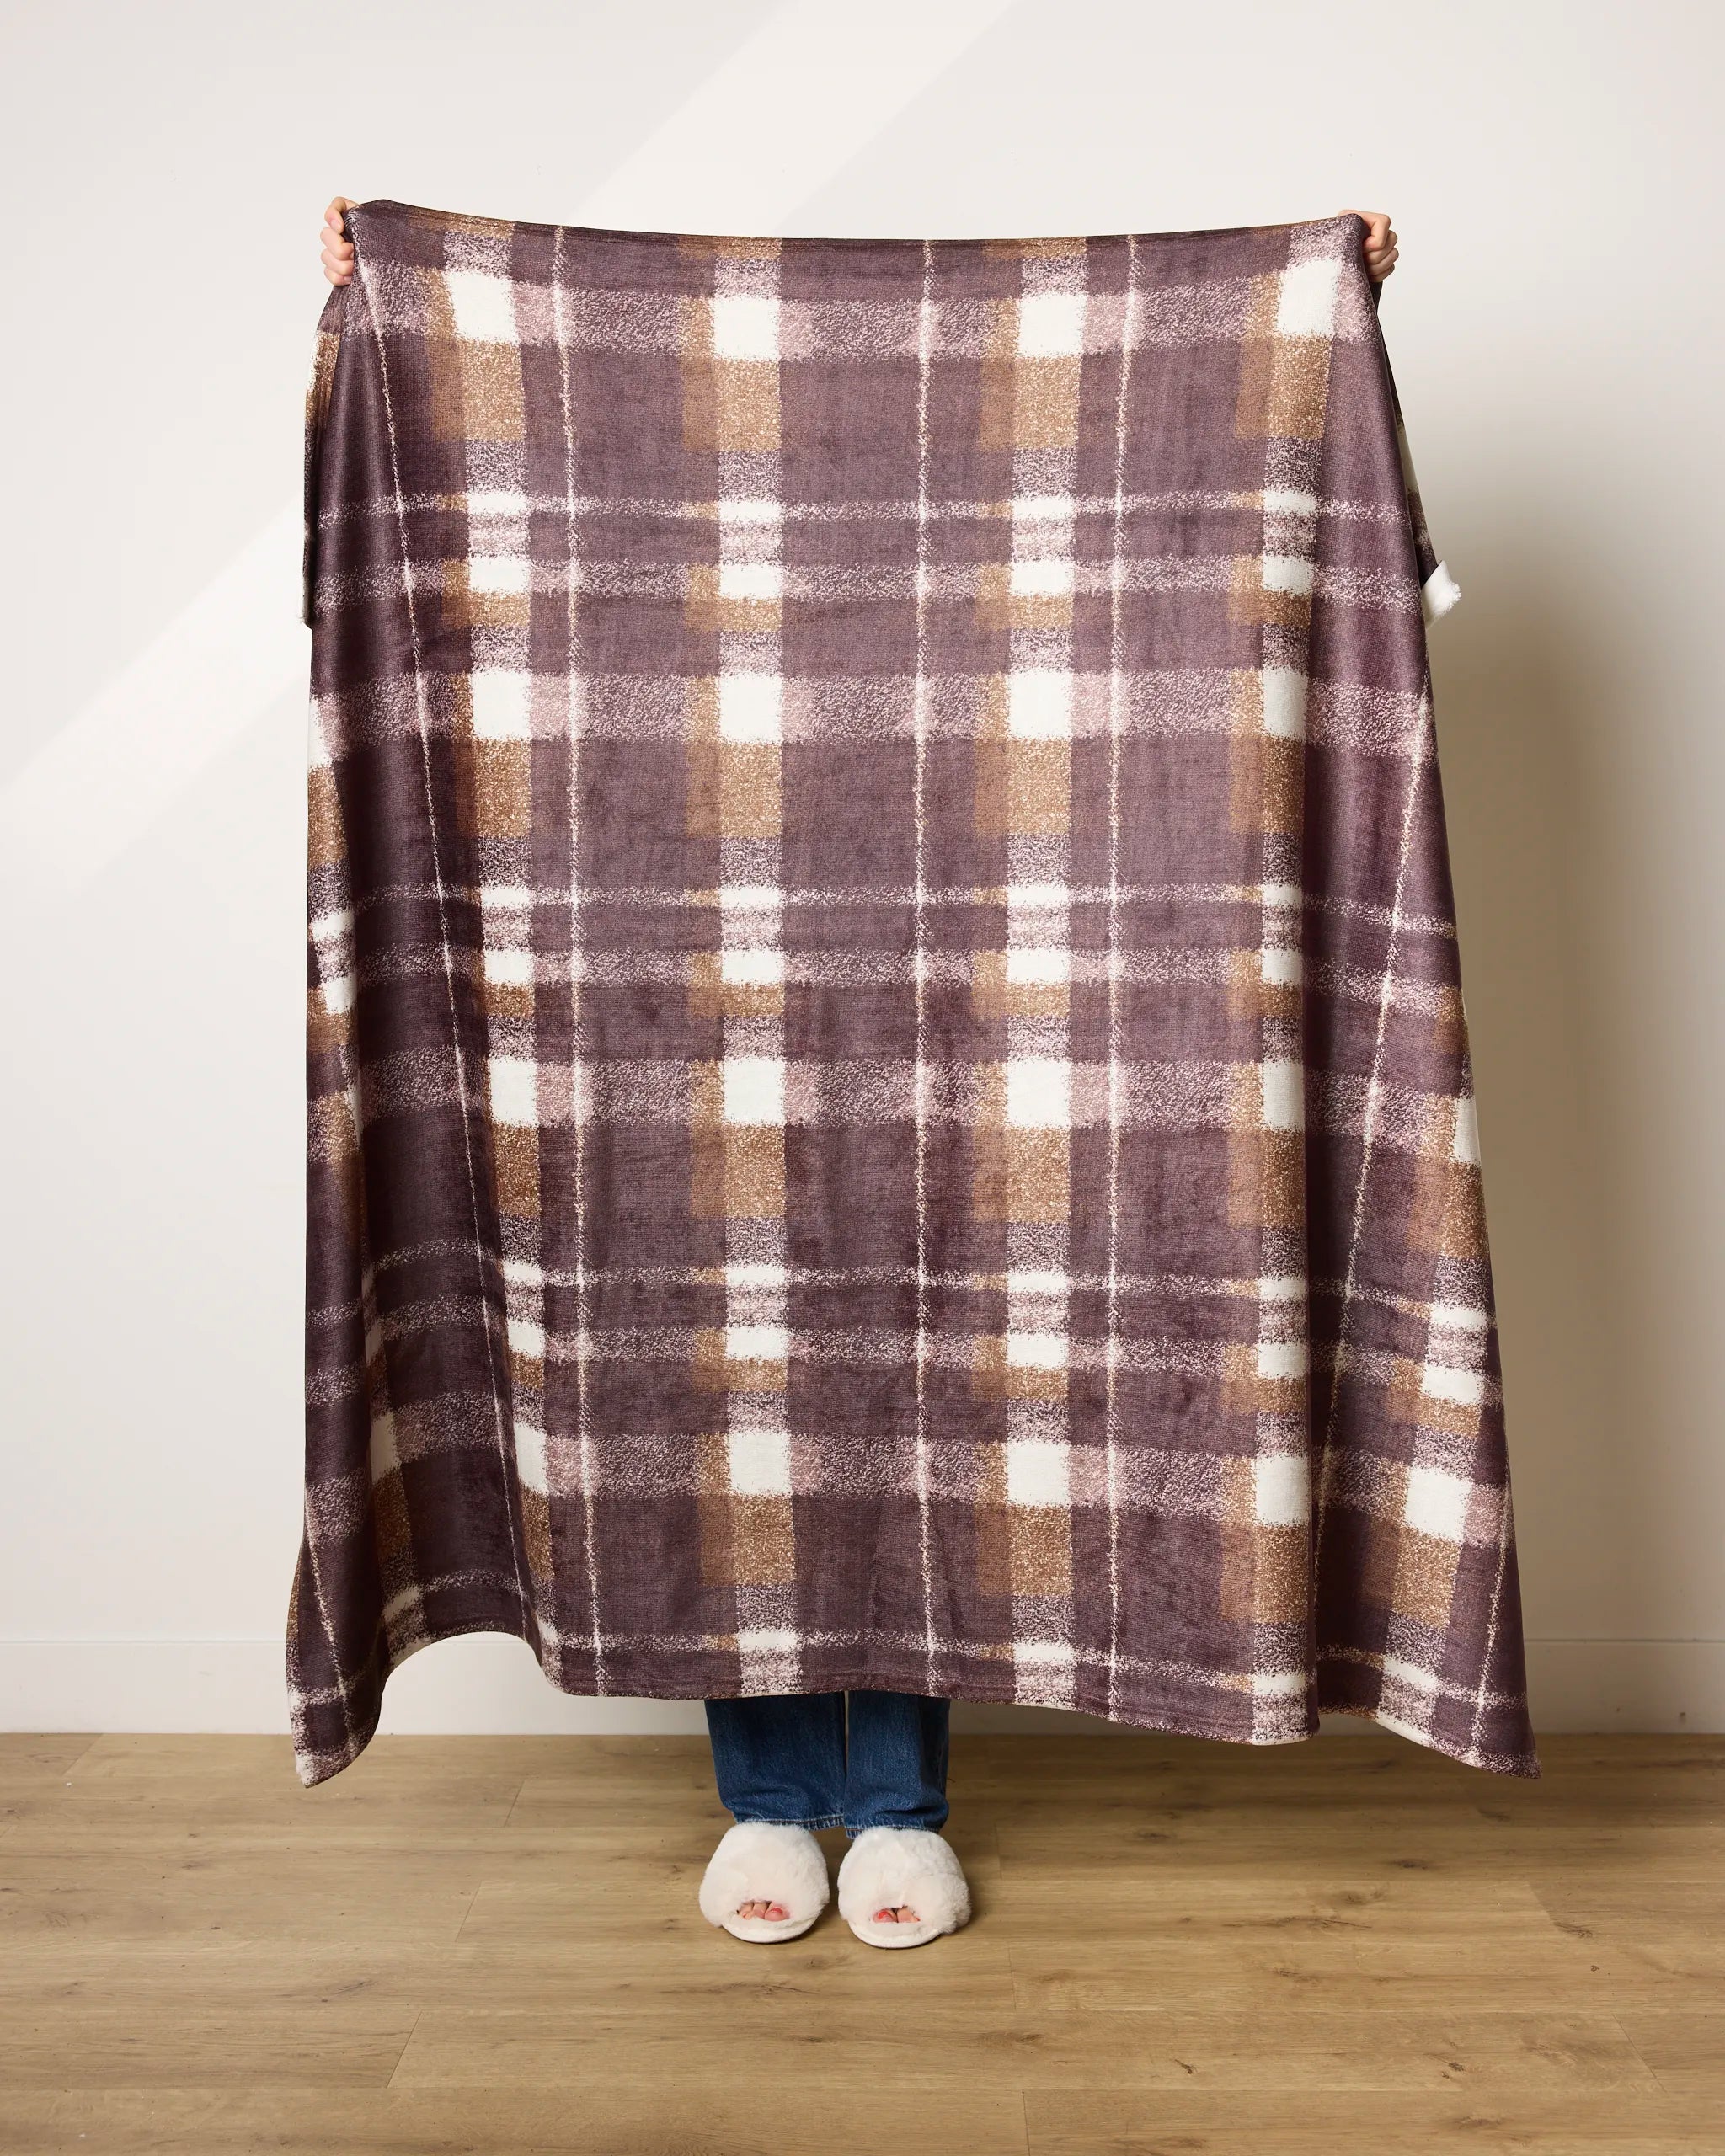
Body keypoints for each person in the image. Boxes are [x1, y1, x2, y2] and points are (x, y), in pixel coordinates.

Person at [315, 195, 1401, 1947]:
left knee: (918, 1371)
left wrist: (1305, 302)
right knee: (716, 1367)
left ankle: (896, 1808)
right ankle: (766, 1799)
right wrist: (392, 303)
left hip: (971, 948)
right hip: (680, 943)